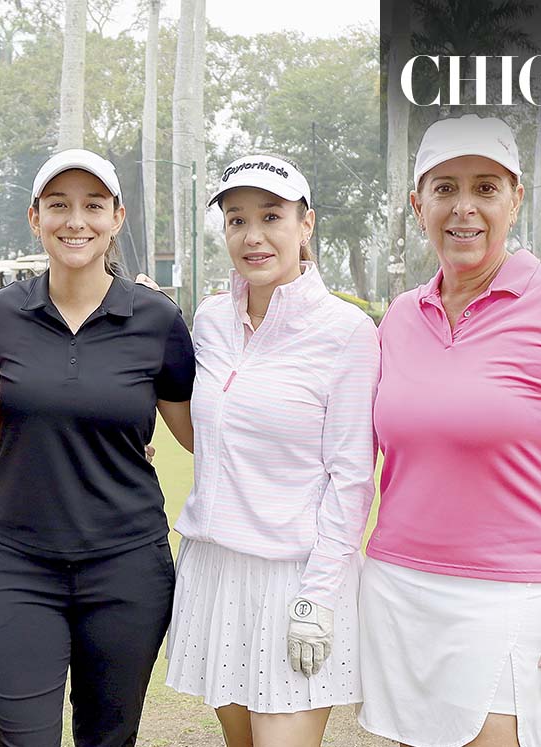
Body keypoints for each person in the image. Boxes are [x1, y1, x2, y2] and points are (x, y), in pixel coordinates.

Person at [359, 114, 541, 747]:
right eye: (445, 188)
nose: (464, 208)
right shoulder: (400, 316)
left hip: (516, 594)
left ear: (515, 200)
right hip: (399, 585)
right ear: (418, 205)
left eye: (485, 188)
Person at [0, 148, 195, 747]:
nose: (76, 221)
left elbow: (197, 434)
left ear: (117, 218)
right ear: (35, 218)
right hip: (17, 560)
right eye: (58, 205)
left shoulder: (157, 318)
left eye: (93, 206)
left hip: (127, 563)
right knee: (24, 737)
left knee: (108, 738)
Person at [163, 154, 379, 747]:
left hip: (297, 578)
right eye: (237, 220)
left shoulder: (346, 332)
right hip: (216, 568)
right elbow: (205, 430)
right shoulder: (210, 319)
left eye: (271, 216)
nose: (252, 236)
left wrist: (318, 598)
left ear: (306, 224)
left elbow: (352, 478)